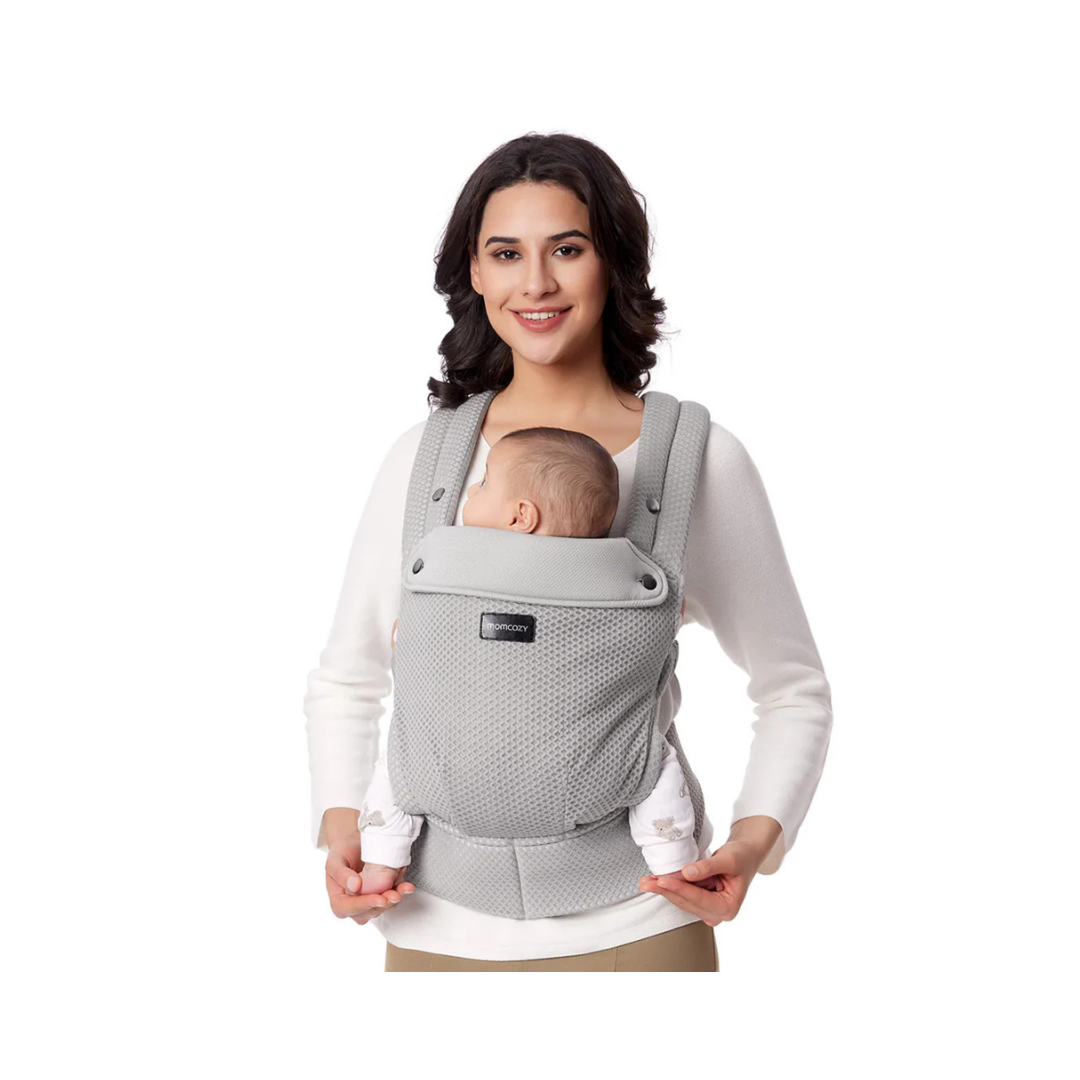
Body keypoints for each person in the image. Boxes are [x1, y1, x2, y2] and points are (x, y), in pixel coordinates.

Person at [303, 132, 833, 972]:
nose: (536, 283)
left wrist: (751, 843)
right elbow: (348, 676)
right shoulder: (426, 462)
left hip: (640, 930)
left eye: (568, 249)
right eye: (506, 253)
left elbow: (792, 687)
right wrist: (343, 830)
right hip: (433, 927)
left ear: (613, 261)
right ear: (476, 274)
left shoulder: (694, 463)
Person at [355, 426, 698, 898]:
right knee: (653, 766)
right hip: (598, 779)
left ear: (521, 516)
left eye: (484, 483)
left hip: (445, 772)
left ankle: (380, 861)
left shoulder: (442, 573)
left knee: (398, 765)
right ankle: (675, 864)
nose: (471, 491)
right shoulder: (627, 590)